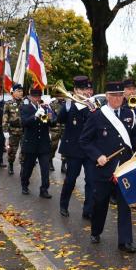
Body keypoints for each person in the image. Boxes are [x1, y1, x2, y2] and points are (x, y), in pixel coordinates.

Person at [80, 81, 136, 253]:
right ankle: (96, 231)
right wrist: (98, 156)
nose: (118, 99)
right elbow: (84, 141)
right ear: (107, 96)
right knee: (100, 203)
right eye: (114, 95)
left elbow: (132, 136)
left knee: (125, 204)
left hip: (124, 168)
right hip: (104, 169)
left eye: (120, 95)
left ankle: (125, 241)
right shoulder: (96, 115)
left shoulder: (129, 113)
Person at [58, 75, 94, 219]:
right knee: (71, 179)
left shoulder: (92, 104)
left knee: (91, 181)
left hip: (90, 150)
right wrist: (66, 105)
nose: (84, 92)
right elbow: (59, 120)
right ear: (75, 90)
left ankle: (88, 210)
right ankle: (63, 204)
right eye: (81, 89)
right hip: (74, 149)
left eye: (86, 88)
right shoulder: (69, 105)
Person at [20, 88, 55, 198]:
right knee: (28, 167)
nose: (37, 99)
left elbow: (49, 123)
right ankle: (24, 185)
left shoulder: (43, 108)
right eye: (35, 97)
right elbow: (25, 123)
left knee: (45, 169)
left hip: (43, 144)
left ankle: (44, 189)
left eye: (39, 97)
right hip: (31, 143)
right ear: (30, 97)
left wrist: (49, 112)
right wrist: (35, 116)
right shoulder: (25, 107)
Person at [2, 83, 24, 175]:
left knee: (24, 151)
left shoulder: (25, 103)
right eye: (18, 91)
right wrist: (5, 131)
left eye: (21, 91)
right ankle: (10, 164)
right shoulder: (8, 104)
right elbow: (5, 118)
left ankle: (23, 168)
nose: (21, 93)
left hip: (24, 131)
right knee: (12, 151)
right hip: (13, 131)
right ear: (13, 92)